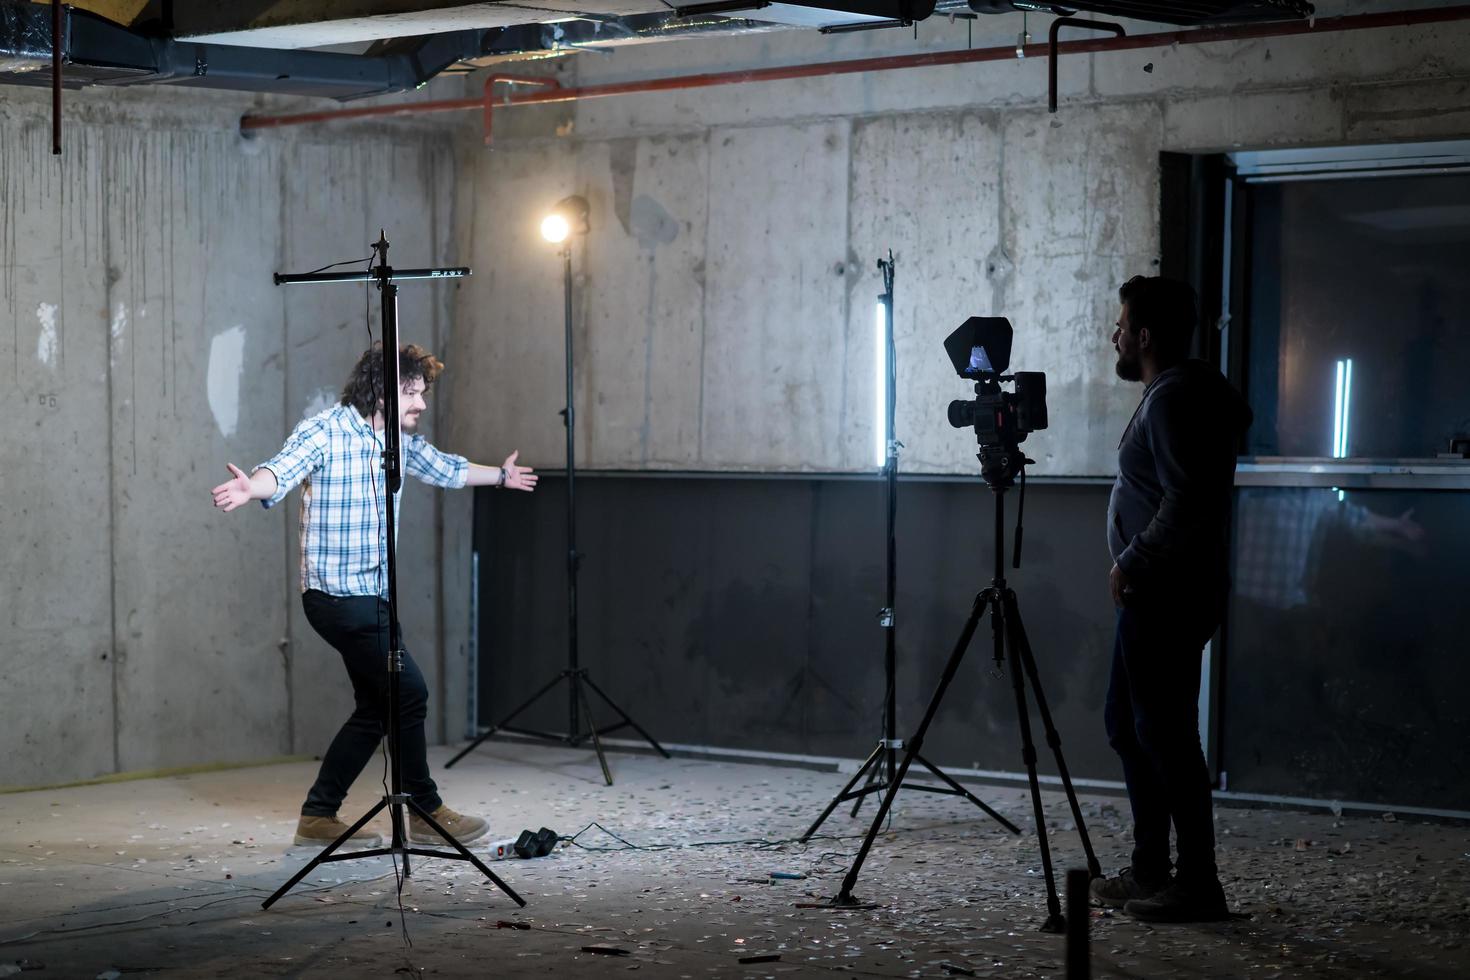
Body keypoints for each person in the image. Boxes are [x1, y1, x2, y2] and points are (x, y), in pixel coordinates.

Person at [210, 343, 537, 849]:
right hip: (337, 598)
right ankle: (424, 811)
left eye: (422, 393)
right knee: (409, 693)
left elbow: (445, 468)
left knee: (378, 707)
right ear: (380, 389)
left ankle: (318, 815)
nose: (421, 404)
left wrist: (500, 475)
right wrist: (252, 489)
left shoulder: (398, 442)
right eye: (411, 392)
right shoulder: (327, 430)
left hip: (375, 597)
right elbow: (281, 468)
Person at [1090, 276, 1252, 922]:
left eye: (1123, 325)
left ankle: (1197, 882)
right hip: (1161, 590)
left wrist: (1132, 559)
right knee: (1129, 726)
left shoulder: (1171, 401)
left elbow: (1190, 499)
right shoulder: (1178, 393)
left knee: (1165, 735)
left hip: (1164, 591)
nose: (1116, 336)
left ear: (1146, 336)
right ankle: (1152, 868)